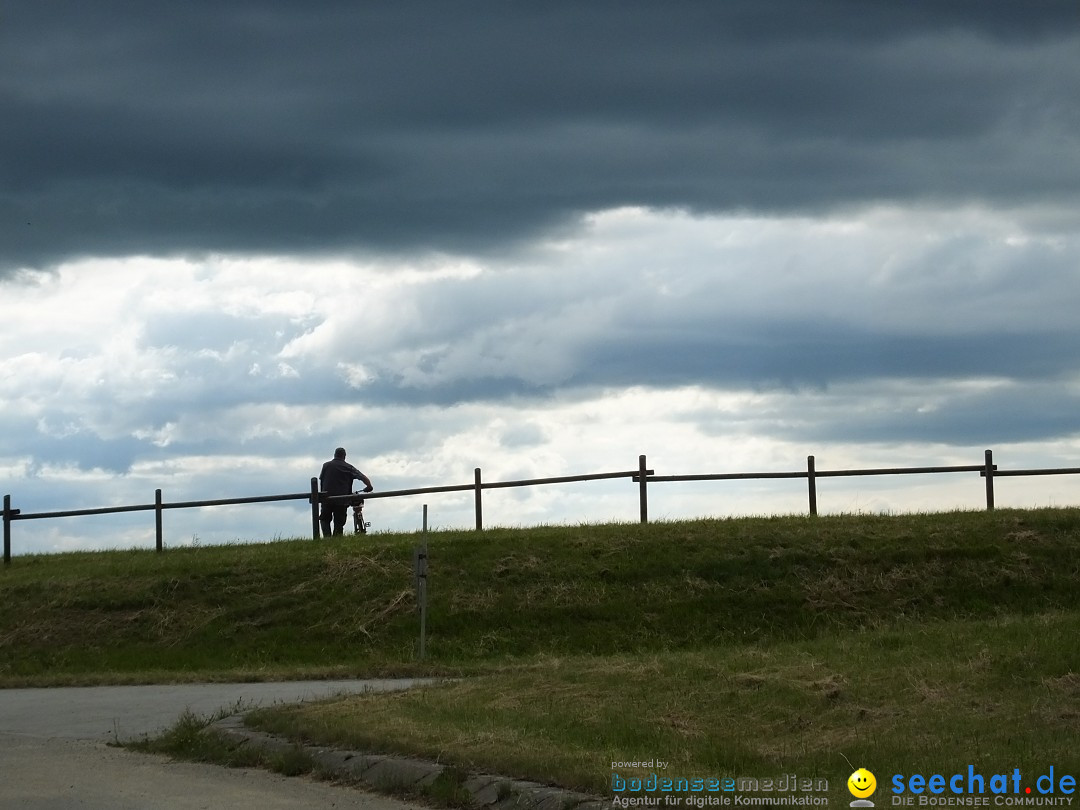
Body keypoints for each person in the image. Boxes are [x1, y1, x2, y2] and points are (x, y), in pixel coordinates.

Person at [319, 447, 373, 537]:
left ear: (334, 455)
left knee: (324, 519)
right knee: (339, 522)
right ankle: (337, 539)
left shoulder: (326, 466)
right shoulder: (348, 467)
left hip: (327, 498)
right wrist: (369, 486)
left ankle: (327, 538)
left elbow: (322, 480)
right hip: (342, 499)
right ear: (344, 456)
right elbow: (362, 477)